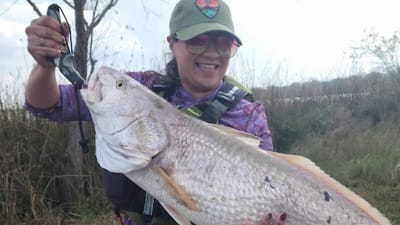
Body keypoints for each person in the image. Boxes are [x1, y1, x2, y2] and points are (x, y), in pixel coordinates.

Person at [25, 0, 285, 224]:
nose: (212, 52)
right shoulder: (139, 91)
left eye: (224, 44)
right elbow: (48, 104)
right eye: (198, 41)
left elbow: (272, 186)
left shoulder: (249, 115)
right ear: (172, 43)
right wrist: (44, 66)